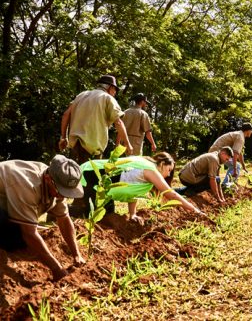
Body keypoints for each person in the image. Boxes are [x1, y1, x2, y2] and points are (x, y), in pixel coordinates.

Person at [0, 155, 85, 281]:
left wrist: (76, 254)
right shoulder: (27, 185)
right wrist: (57, 268)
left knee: (20, 242)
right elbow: (29, 233)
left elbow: (64, 220)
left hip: (7, 202)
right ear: (48, 179)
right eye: (61, 191)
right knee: (15, 238)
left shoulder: (57, 183)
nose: (63, 196)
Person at [59, 75, 133, 215]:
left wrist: (63, 137)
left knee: (76, 174)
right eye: (115, 90)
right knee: (91, 178)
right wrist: (128, 145)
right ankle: (83, 209)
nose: (115, 93)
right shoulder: (108, 98)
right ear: (110, 88)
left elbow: (65, 115)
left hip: (76, 144)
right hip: (92, 146)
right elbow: (118, 122)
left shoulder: (82, 95)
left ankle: (74, 204)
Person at [79, 153, 205, 225]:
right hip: (90, 177)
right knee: (89, 214)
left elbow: (133, 192)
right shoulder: (151, 169)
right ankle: (62, 213)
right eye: (169, 170)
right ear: (161, 164)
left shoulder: (147, 172)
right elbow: (171, 194)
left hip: (101, 187)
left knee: (108, 214)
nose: (168, 174)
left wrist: (132, 214)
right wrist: (195, 211)